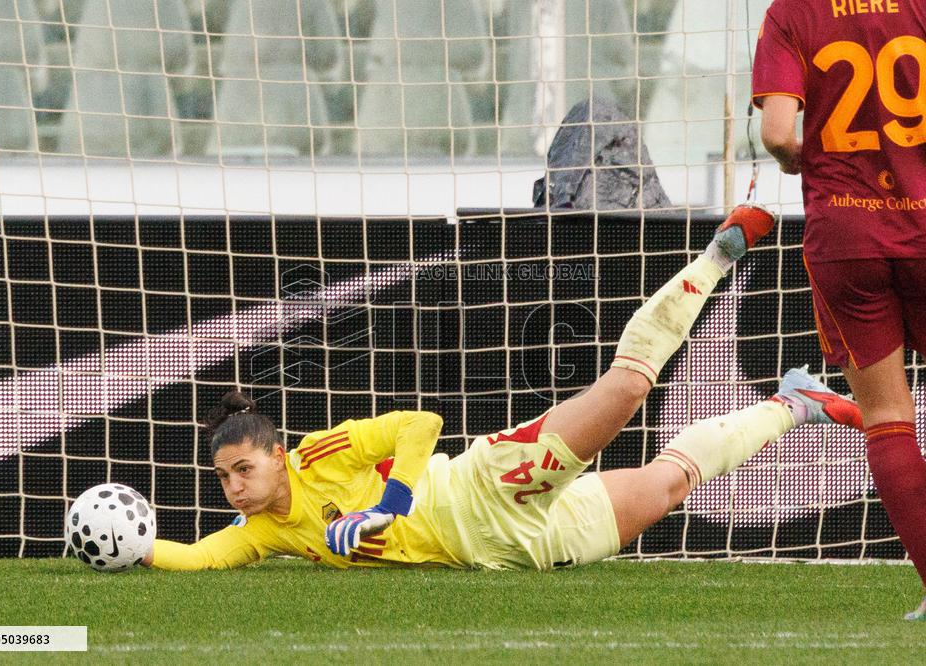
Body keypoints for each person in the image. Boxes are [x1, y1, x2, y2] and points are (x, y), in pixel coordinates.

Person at [143, 205, 862, 572]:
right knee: (669, 484)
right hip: (516, 548)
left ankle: (716, 256)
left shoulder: (320, 456)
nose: (235, 488)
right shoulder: (266, 532)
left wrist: (387, 508)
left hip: (486, 488)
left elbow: (421, 424)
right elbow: (200, 558)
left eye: (243, 469)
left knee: (625, 390)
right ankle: (793, 401)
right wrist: (131, 546)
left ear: (276, 455)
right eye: (225, 478)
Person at [751, 0, 926, 620]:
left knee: (888, 416)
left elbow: (778, 133)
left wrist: (802, 160)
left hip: (847, 234)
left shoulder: (791, 12)